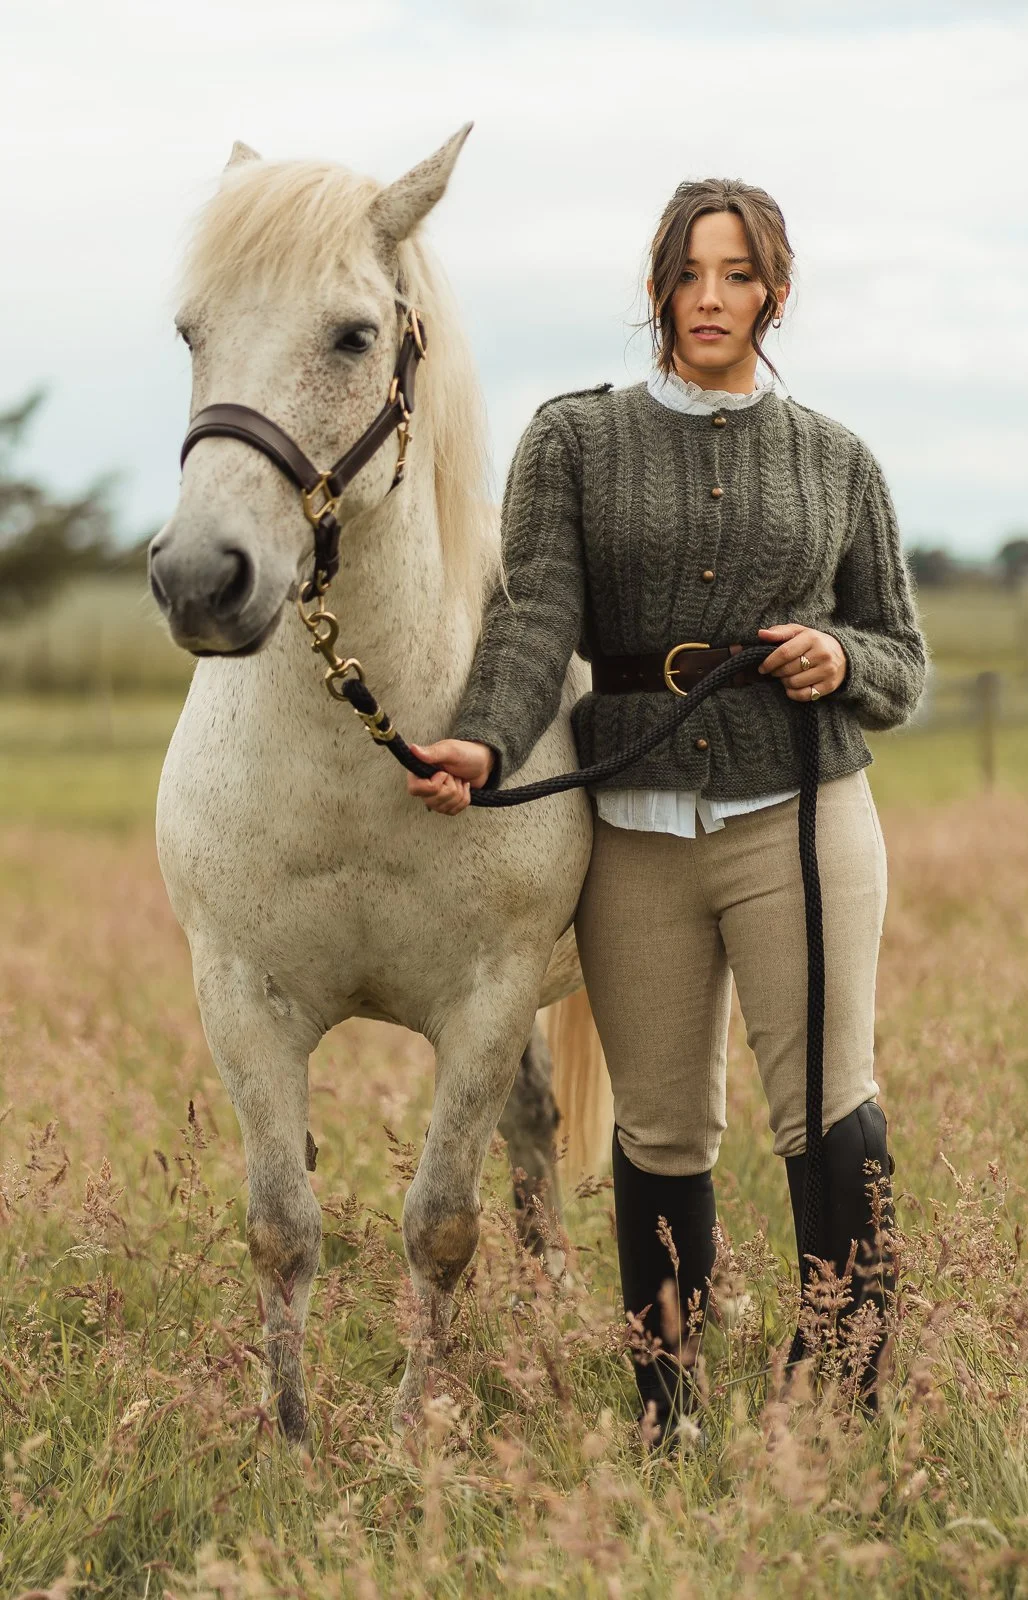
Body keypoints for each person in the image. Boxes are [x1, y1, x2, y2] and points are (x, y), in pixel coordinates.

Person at [405, 177, 928, 1445]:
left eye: (737, 274)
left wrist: (837, 659)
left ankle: (846, 1385)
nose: (710, 298)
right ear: (656, 286)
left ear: (774, 294)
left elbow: (901, 658)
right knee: (659, 1125)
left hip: (800, 815)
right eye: (689, 273)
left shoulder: (838, 458)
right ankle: (667, 1401)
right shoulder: (572, 440)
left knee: (825, 1104)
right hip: (632, 831)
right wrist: (480, 738)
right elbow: (535, 618)